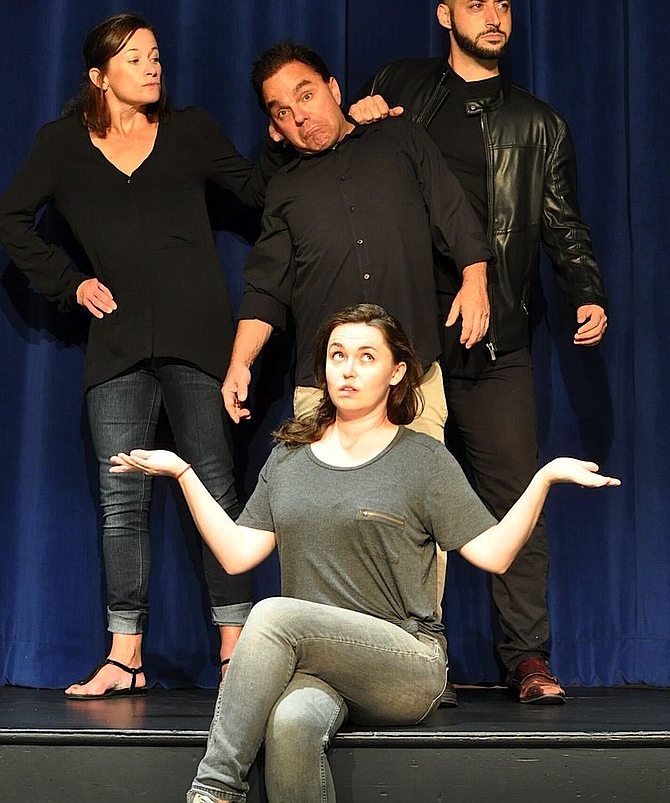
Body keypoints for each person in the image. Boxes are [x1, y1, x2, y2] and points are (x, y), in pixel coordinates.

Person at [111, 303, 620, 803]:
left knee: (269, 614)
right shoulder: (288, 458)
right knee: (289, 725)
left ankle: (214, 790)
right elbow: (237, 554)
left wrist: (543, 479)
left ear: (397, 372)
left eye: (365, 357)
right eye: (337, 355)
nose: (347, 370)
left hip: (407, 661)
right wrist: (183, 473)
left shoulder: (422, 459)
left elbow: (496, 555)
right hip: (319, 668)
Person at [349, 0, 609, 703]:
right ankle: (400, 658)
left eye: (502, 6)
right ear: (446, 15)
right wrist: (355, 122)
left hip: (498, 346)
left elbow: (564, 225)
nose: (494, 18)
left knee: (513, 501)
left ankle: (527, 658)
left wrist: (585, 290)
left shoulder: (539, 123)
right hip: (404, 342)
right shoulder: (397, 88)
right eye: (477, 6)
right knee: (394, 499)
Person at [0, 12, 277, 698]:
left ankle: (234, 653)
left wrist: (289, 140)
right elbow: (11, 220)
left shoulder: (191, 133)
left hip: (201, 340)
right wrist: (69, 283)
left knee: (216, 489)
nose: (153, 67)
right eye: (135, 59)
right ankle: (125, 657)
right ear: (100, 76)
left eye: (156, 56)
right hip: (116, 348)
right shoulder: (63, 145)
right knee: (121, 501)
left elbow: (263, 196)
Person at [222, 41, 493, 445]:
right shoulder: (283, 189)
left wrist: (476, 281)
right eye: (283, 112)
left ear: (334, 89)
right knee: (324, 509)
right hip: (324, 390)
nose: (300, 115)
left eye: (307, 95)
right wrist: (240, 363)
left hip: (410, 376)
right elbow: (265, 288)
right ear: (276, 129)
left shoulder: (400, 138)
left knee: (413, 506)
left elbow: (452, 214)